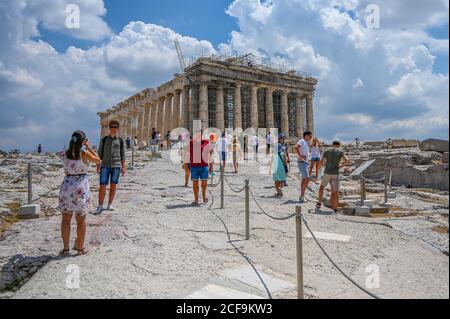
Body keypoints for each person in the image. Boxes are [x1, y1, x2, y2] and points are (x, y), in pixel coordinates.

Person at [58, 130, 101, 256]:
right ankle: (80, 249)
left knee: (65, 219)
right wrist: (89, 147)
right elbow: (98, 160)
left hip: (66, 187)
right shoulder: (84, 154)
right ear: (83, 141)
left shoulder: (63, 153)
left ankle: (65, 249)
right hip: (80, 188)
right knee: (81, 220)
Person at [95, 120, 126, 215]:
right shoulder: (104, 140)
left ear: (117, 128)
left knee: (113, 185)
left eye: (115, 127)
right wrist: (98, 165)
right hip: (105, 165)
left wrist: (123, 167)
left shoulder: (120, 140)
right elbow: (99, 153)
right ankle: (100, 205)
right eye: (111, 127)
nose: (113, 129)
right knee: (102, 185)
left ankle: (110, 204)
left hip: (116, 165)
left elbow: (123, 154)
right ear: (109, 128)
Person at [316, 140, 349, 214]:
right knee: (335, 192)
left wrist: (323, 166)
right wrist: (340, 166)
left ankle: (319, 203)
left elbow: (321, 162)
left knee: (322, 187)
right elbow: (347, 160)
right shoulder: (340, 152)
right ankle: (335, 208)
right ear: (339, 145)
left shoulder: (327, 151)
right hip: (335, 173)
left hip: (327, 172)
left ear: (332, 144)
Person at [185, 130, 211, 206]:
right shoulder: (191, 142)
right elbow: (187, 154)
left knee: (204, 183)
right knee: (195, 183)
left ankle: (204, 197)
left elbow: (209, 154)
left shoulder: (206, 142)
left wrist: (211, 164)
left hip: (204, 166)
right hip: (194, 166)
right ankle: (196, 200)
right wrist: (186, 164)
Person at [295, 131, 313, 203]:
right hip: (302, 162)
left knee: (303, 179)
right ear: (306, 135)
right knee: (307, 179)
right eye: (310, 136)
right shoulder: (302, 141)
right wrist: (300, 156)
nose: (311, 137)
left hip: (305, 163)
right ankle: (302, 195)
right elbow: (296, 147)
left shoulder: (305, 142)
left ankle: (302, 195)